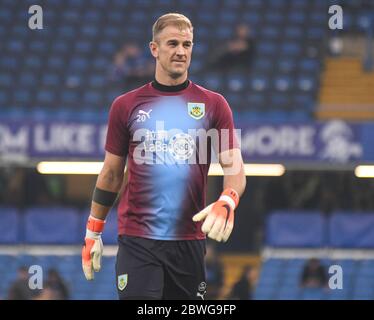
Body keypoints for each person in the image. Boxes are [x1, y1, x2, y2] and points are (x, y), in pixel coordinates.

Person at [81, 13, 246, 300]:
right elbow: (110, 174)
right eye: (172, 43)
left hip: (190, 242)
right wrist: (93, 231)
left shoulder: (214, 105)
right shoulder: (125, 106)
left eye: (187, 44)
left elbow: (235, 165)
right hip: (138, 241)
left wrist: (227, 199)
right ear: (154, 49)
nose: (181, 51)